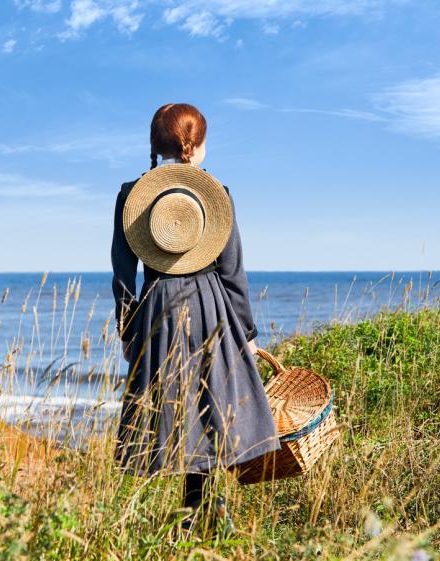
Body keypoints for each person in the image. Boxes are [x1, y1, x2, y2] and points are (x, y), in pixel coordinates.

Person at [110, 103, 280, 533]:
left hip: (156, 309)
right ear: (195, 145)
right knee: (212, 408)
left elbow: (122, 273)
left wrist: (128, 328)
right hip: (210, 305)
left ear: (156, 146)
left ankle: (192, 516)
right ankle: (205, 514)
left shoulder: (131, 194)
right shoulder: (214, 193)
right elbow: (232, 271)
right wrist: (247, 332)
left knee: (174, 410)